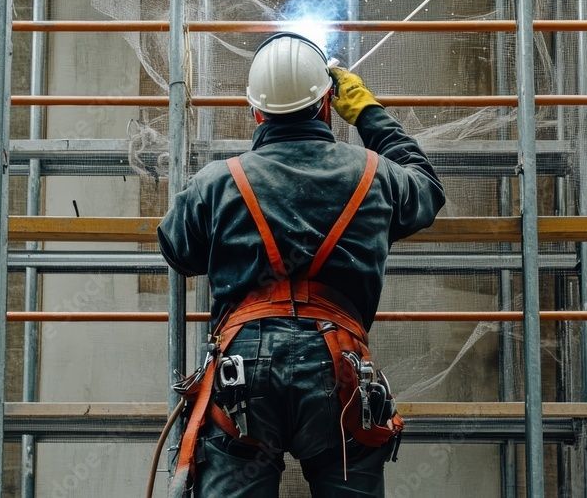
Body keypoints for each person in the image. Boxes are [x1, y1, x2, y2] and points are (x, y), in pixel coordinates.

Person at [158, 32, 445, 497]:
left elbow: (177, 248)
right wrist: (369, 112)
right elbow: (427, 191)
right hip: (338, 369)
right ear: (328, 104)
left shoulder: (218, 182)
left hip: (244, 371)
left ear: (256, 111)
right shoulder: (376, 174)